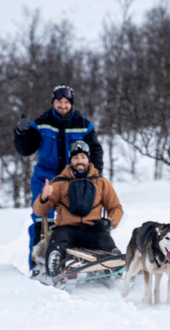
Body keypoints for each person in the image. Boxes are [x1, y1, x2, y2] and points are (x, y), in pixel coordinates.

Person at [14, 85, 104, 270]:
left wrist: (94, 174)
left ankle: (79, 261)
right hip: (45, 179)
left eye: (66, 102)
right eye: (59, 102)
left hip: (74, 181)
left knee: (78, 220)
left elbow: (95, 150)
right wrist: (20, 133)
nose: (62, 106)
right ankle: (38, 264)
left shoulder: (84, 125)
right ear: (53, 102)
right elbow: (25, 149)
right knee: (42, 220)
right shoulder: (41, 123)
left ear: (71, 103)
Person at [34, 141, 123, 276]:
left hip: (92, 228)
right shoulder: (59, 182)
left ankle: (116, 263)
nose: (79, 161)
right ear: (71, 161)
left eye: (83, 157)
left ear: (88, 159)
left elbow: (116, 207)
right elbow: (39, 211)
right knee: (58, 240)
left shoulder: (101, 182)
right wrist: (44, 197)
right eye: (75, 158)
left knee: (104, 239)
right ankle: (54, 263)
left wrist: (110, 222)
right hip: (67, 229)